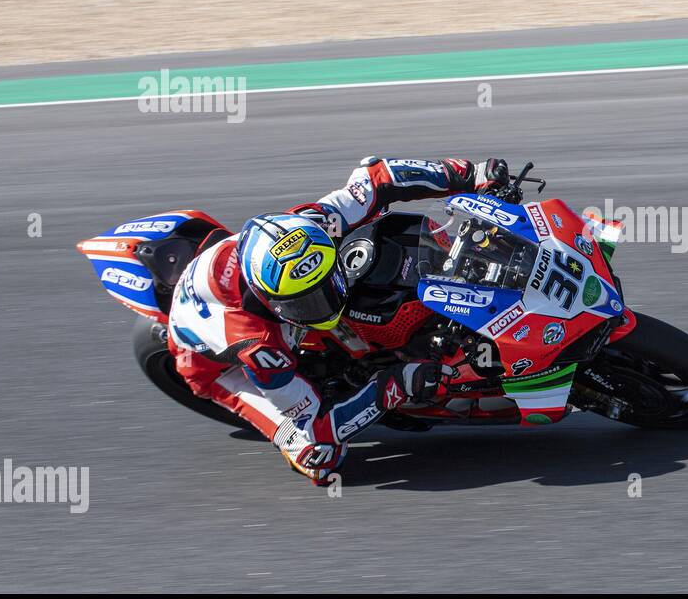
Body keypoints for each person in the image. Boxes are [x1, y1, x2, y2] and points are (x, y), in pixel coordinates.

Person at [165, 156, 508, 484]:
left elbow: (378, 178)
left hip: (242, 286)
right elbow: (316, 424)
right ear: (267, 297)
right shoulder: (257, 346)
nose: (325, 302)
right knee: (320, 455)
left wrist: (470, 175)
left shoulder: (309, 224)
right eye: (306, 302)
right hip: (212, 365)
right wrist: (395, 386)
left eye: (327, 283)